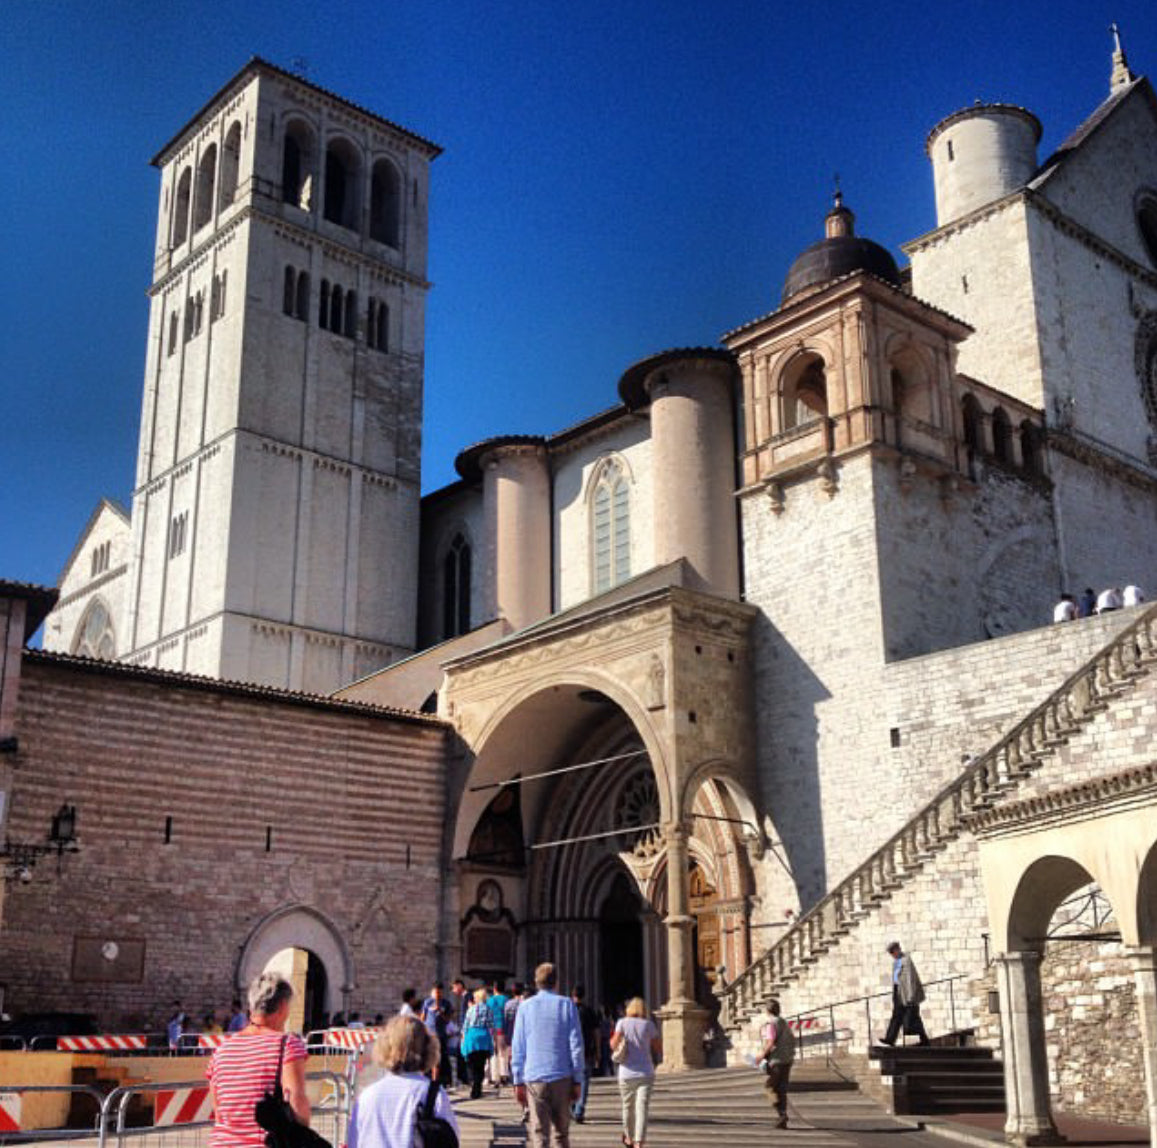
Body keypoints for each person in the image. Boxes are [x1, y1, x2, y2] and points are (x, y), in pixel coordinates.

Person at [206, 973, 310, 1148]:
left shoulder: (222, 1050)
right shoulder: (287, 1045)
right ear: (283, 1007)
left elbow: (219, 1112)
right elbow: (297, 1104)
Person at [347, 1015, 459, 1148]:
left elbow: (354, 1141)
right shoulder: (432, 1094)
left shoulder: (367, 1096)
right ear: (428, 1048)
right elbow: (451, 1139)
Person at [511, 963, 584, 1148]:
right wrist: (578, 1079)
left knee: (539, 1135)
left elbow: (518, 1046)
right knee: (561, 1135)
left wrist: (517, 1081)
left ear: (536, 983)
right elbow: (576, 1045)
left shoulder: (525, 1007)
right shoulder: (567, 1005)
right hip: (562, 1075)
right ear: (556, 982)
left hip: (534, 1077)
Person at [609, 997, 660, 1148]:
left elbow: (613, 1044)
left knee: (627, 1106)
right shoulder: (649, 1025)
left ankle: (629, 1137)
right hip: (645, 1071)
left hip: (626, 1072)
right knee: (642, 1108)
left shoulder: (622, 1023)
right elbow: (658, 1048)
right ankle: (639, 1141)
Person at [879, 940, 930, 1047]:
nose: (892, 955)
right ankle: (890, 1039)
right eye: (891, 953)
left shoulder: (906, 960)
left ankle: (923, 1040)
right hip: (898, 991)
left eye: (893, 952)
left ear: (898, 949)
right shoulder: (895, 963)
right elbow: (896, 979)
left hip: (907, 993)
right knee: (896, 1016)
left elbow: (910, 979)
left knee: (912, 1018)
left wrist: (911, 996)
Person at [759, 1000, 795, 1129]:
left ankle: (781, 1115)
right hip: (787, 1060)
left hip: (777, 1061)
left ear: (768, 1011)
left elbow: (770, 1042)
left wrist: (761, 1056)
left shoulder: (772, 1024)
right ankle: (782, 1120)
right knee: (781, 1090)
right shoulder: (784, 1022)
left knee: (769, 1088)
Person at [570, 985, 600, 1124]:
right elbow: (596, 1033)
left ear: (572, 995)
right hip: (587, 1050)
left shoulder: (568, 1010)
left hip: (569, 1051)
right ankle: (579, 1110)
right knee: (584, 1081)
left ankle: (572, 1106)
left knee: (570, 1080)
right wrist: (598, 1050)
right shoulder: (589, 1011)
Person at [460, 987, 494, 1100]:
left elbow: (465, 1026)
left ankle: (474, 1086)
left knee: (472, 1063)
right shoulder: (489, 1009)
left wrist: (463, 1039)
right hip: (483, 1038)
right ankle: (477, 1088)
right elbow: (490, 1026)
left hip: (472, 1037)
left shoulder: (471, 1009)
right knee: (481, 1064)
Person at [487, 981, 510, 1086]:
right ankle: (504, 1075)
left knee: (493, 1052)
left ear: (494, 989)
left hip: (492, 1028)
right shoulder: (506, 1000)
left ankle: (494, 1076)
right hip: (503, 1028)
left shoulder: (490, 1000)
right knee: (503, 1052)